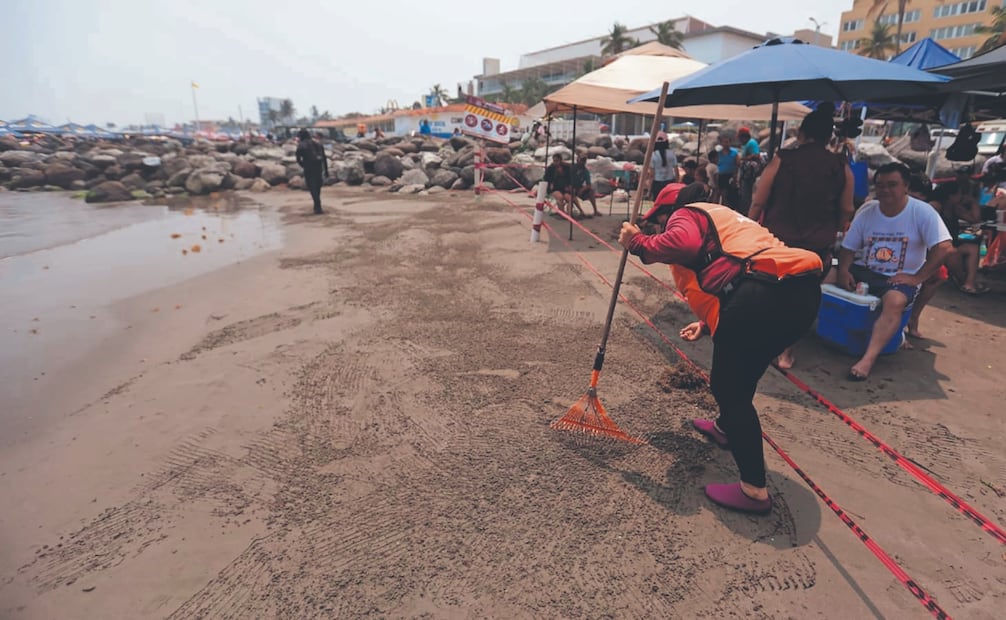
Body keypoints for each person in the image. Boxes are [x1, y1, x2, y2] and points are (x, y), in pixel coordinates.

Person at [620, 183, 823, 516]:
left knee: (729, 389)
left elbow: (680, 243)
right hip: (799, 293)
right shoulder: (729, 218)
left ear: (671, 210)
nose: (658, 228)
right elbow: (730, 271)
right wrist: (705, 323)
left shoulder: (688, 213)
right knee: (746, 370)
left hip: (762, 296)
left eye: (659, 221)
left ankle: (754, 491)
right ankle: (727, 428)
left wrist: (637, 242)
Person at [748, 106, 854, 369]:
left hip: (778, 240)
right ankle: (786, 352)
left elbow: (759, 199)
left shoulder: (783, 158)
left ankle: (763, 343)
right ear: (829, 137)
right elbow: (847, 209)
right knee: (802, 297)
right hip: (817, 246)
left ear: (802, 133)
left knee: (772, 292)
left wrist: (749, 227)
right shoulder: (840, 166)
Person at [838, 163, 952, 381]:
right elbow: (848, 248)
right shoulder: (868, 211)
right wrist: (843, 270)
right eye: (880, 185)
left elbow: (945, 247)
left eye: (892, 185)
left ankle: (868, 359)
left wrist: (917, 277)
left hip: (899, 278)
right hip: (866, 269)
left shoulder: (922, 211)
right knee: (827, 276)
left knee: (895, 301)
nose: (885, 190)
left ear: (906, 186)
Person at [295, 128, 328, 215]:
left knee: (312, 187)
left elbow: (298, 159)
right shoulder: (317, 144)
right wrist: (326, 170)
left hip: (309, 168)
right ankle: (317, 206)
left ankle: (317, 205)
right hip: (318, 168)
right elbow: (324, 158)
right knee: (317, 186)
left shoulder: (301, 145)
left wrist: (303, 165)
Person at [736, 127, 762, 214]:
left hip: (749, 174)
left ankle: (747, 212)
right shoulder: (746, 144)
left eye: (740, 137)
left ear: (744, 136)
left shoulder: (751, 143)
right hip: (745, 173)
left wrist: (744, 158)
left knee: (746, 194)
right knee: (744, 193)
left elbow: (757, 155)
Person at [649, 131, 678, 199]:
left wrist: (649, 191)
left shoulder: (653, 155)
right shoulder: (672, 154)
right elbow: (676, 171)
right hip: (670, 182)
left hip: (657, 184)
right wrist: (676, 183)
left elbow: (651, 175)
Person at [716, 135, 740, 209]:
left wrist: (735, 176)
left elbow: (737, 164)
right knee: (721, 193)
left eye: (728, 142)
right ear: (721, 143)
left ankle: (729, 208)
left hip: (730, 175)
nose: (726, 144)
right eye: (725, 142)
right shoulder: (718, 153)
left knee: (729, 194)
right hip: (721, 175)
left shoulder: (734, 153)